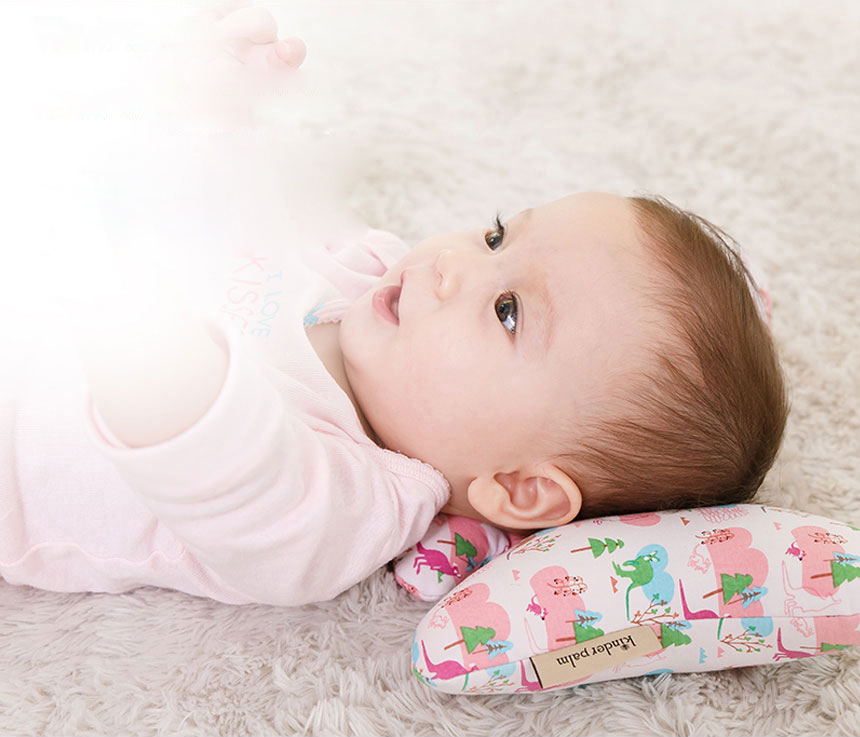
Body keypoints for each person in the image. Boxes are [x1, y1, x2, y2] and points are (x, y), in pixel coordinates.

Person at [0, 4, 787, 607]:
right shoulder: (369, 275)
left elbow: (177, 414)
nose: (452, 263)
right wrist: (212, 111)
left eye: (507, 309)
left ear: (519, 487)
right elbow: (231, 212)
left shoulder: (343, 507)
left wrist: (110, 247)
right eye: (495, 235)